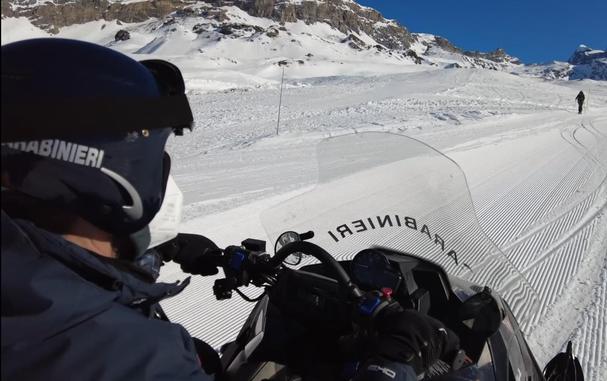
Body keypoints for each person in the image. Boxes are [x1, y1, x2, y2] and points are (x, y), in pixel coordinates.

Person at [1, 38, 456, 381]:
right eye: (157, 159)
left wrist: (163, 248)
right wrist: (391, 366)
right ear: (103, 172)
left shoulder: (32, 293)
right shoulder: (128, 356)